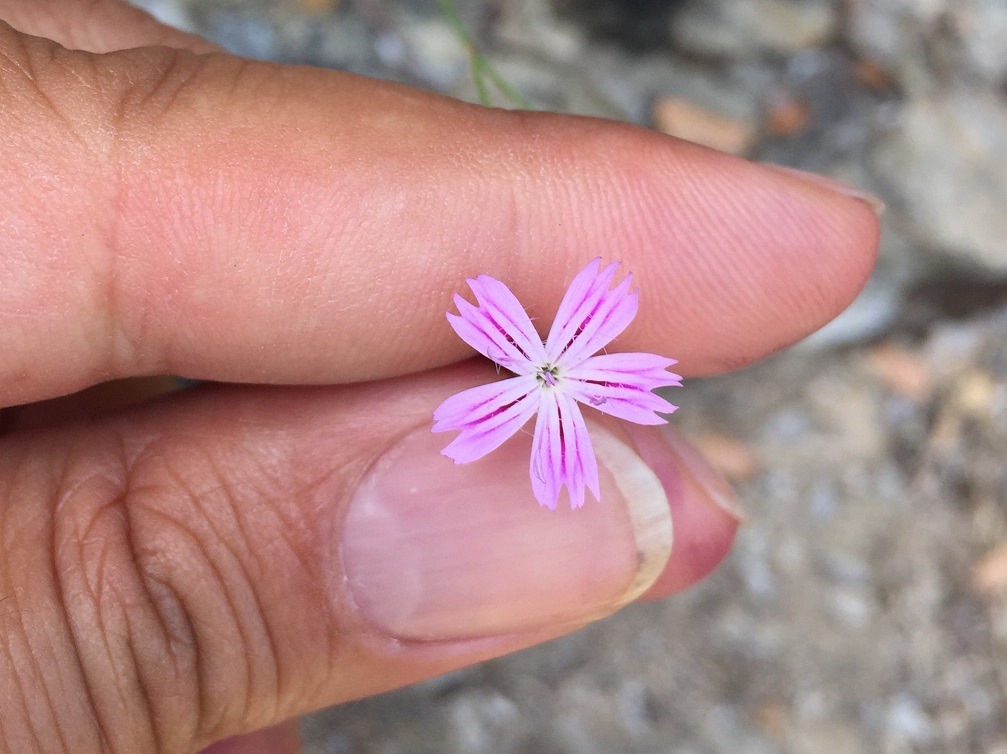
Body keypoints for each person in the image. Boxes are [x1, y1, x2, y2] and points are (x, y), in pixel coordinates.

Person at [0, 1, 881, 752]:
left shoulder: (554, 366)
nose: (541, 368)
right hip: (530, 371)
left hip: (544, 373)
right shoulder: (525, 358)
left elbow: (600, 375)